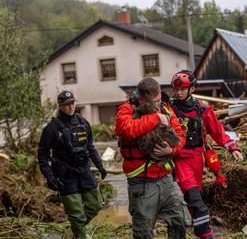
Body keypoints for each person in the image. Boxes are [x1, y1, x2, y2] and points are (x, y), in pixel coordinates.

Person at [170, 70, 243, 239]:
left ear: (192, 88)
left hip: (197, 159)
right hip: (179, 160)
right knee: (196, 201)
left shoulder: (203, 109)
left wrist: (233, 148)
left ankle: (181, 230)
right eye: (176, 89)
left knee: (192, 201)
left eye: (182, 88)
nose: (178, 92)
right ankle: (206, 235)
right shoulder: (169, 109)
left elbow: (218, 132)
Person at [115, 77, 191, 239]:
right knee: (143, 233)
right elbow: (126, 129)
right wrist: (156, 118)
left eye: (158, 100)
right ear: (141, 99)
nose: (157, 106)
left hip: (166, 179)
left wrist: (171, 150)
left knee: (180, 220)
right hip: (141, 183)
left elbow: (180, 136)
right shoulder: (126, 109)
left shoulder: (166, 109)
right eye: (153, 102)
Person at [37, 90, 107, 239]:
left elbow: (90, 147)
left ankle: (77, 228)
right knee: (76, 213)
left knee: (96, 205)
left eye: (72, 103)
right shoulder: (51, 128)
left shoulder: (82, 123)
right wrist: (49, 177)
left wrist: (100, 166)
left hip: (84, 171)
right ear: (60, 106)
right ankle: (80, 234)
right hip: (65, 176)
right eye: (67, 104)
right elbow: (42, 156)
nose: (70, 107)